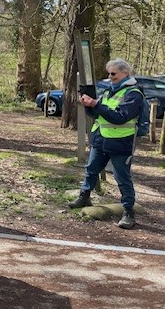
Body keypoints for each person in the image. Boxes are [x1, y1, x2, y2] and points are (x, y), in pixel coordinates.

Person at [68, 58, 142, 229]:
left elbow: (120, 117)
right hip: (101, 139)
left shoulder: (133, 94)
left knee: (122, 177)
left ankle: (128, 212)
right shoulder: (110, 91)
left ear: (125, 73)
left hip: (121, 142)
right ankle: (84, 197)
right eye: (109, 73)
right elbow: (98, 114)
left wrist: (96, 104)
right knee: (91, 169)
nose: (110, 77)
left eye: (113, 74)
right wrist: (89, 106)